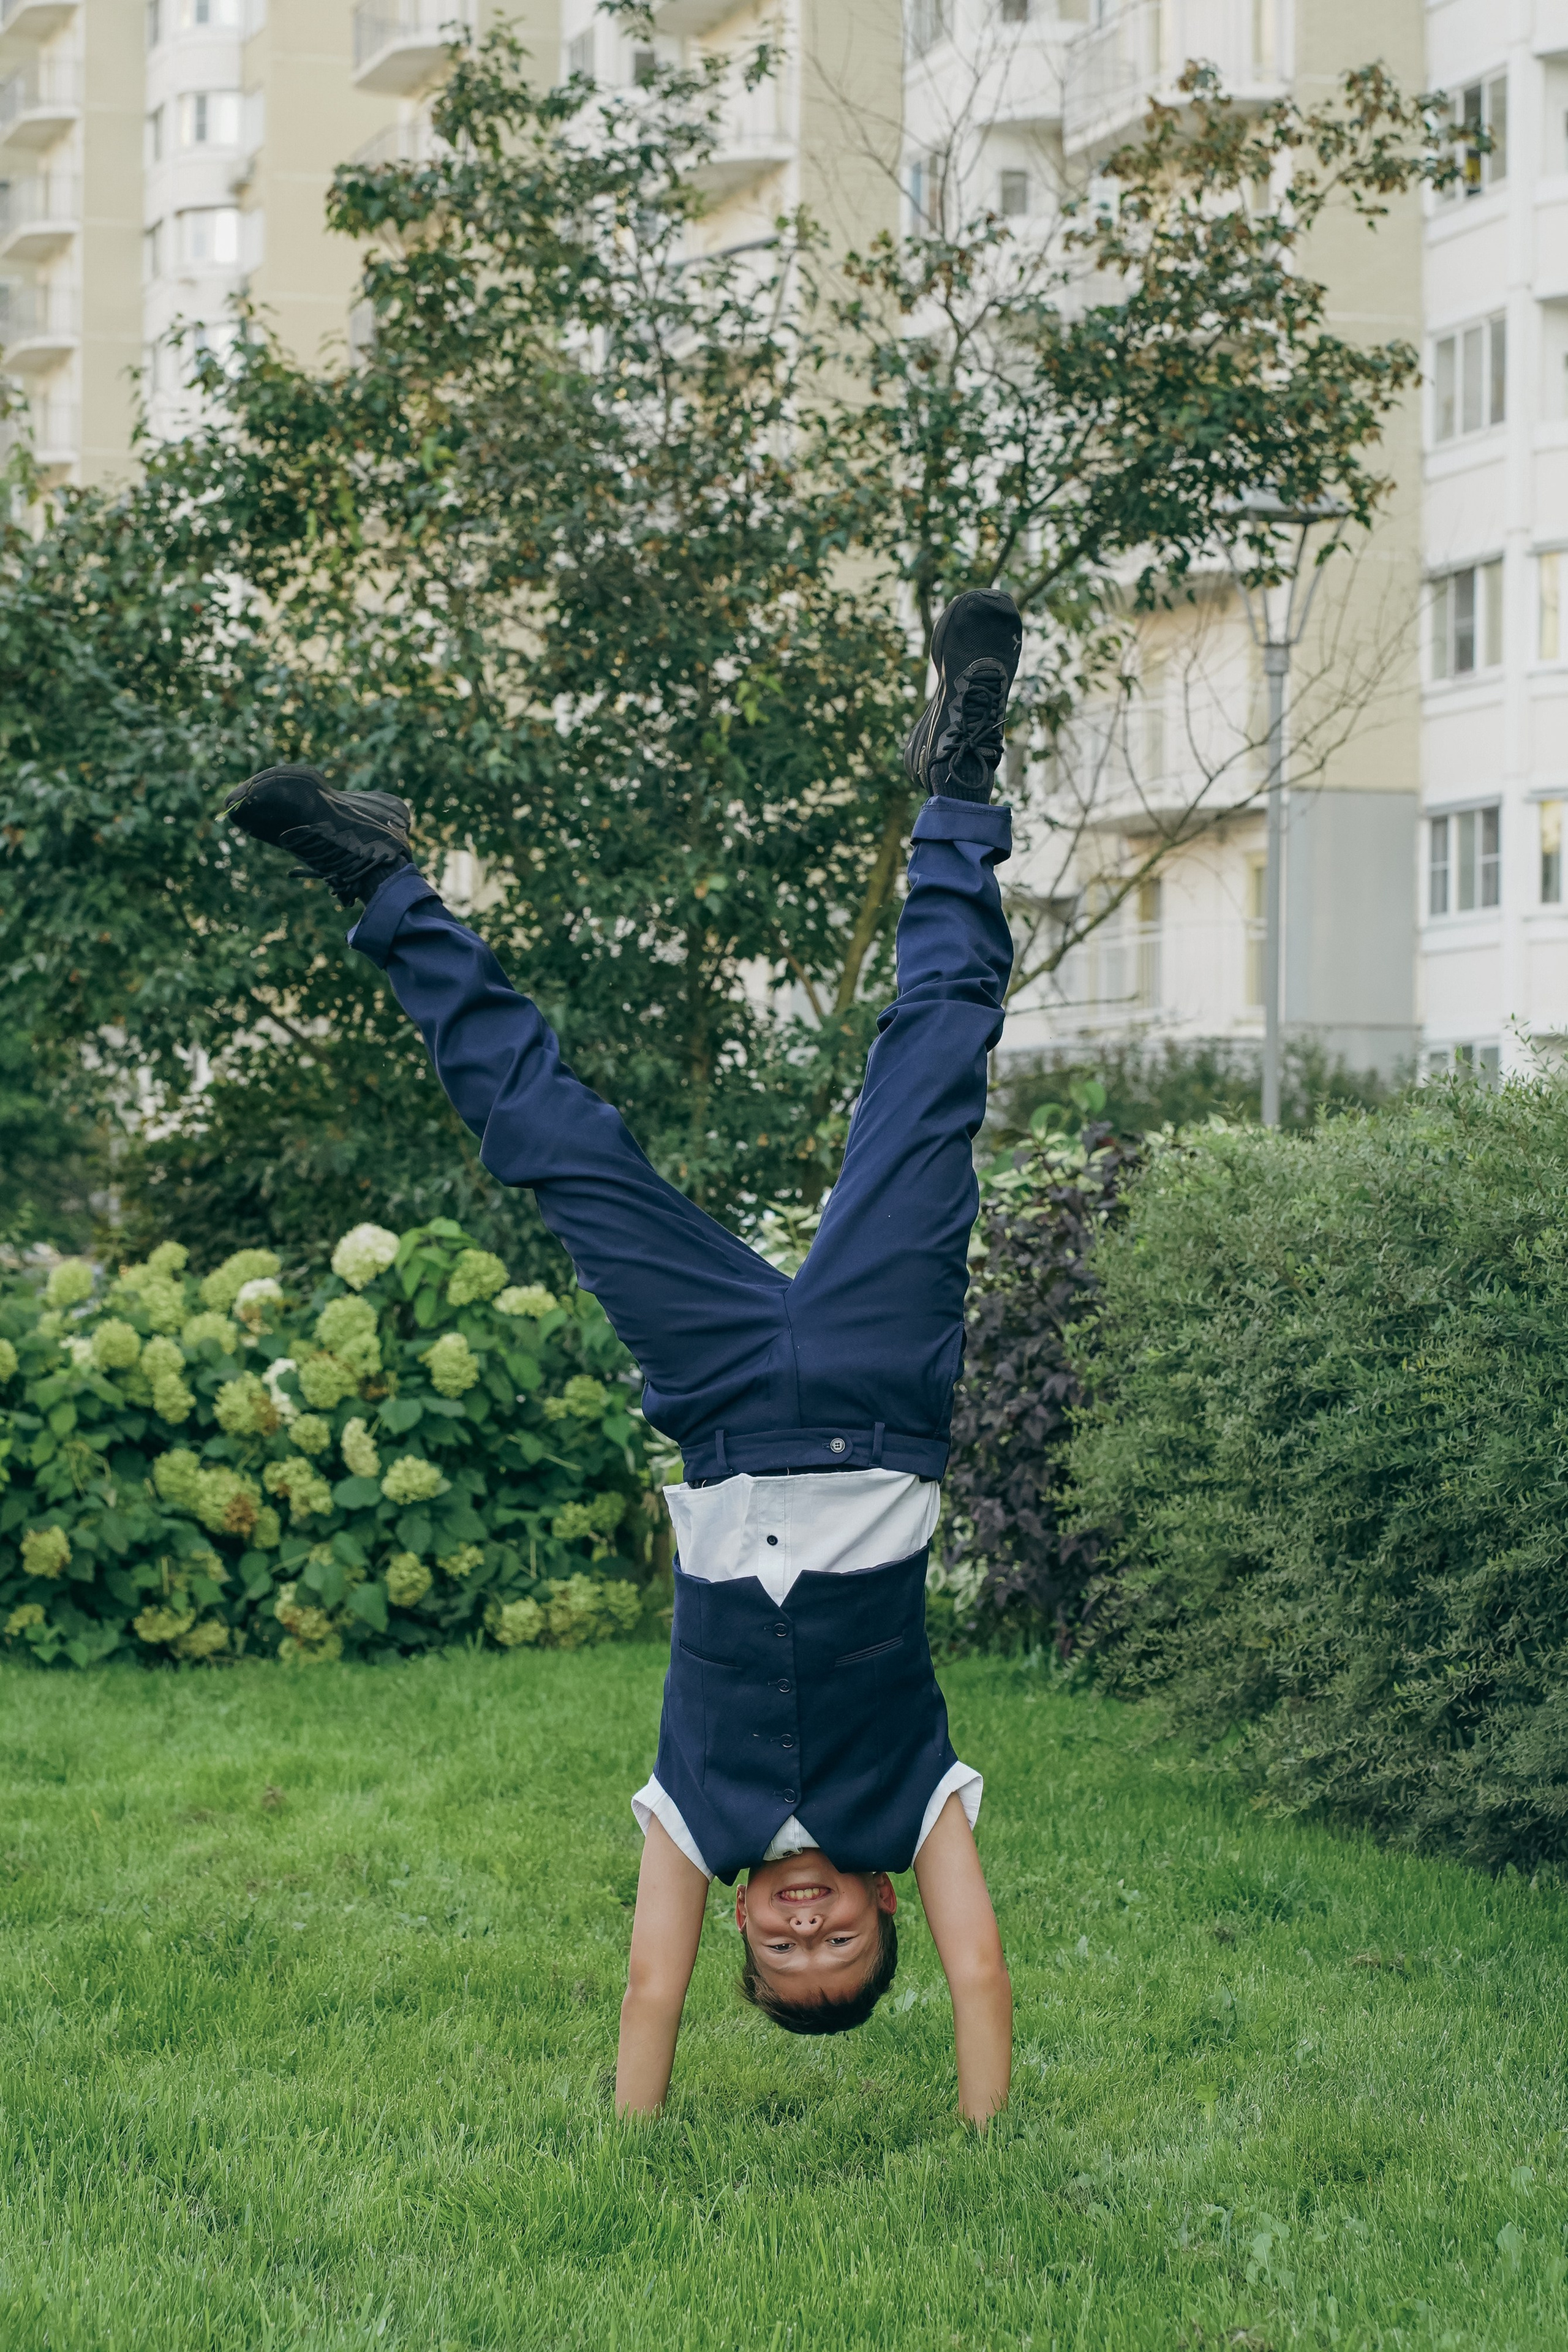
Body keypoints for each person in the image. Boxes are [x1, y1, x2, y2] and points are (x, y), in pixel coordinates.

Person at [224, 588, 1023, 2124]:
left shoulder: (694, 1815)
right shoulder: (915, 1805)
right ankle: (962, 777)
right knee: (932, 1072)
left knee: (553, 1145)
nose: (801, 1924)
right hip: (875, 1390)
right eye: (834, 1938)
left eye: (783, 1949)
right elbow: (980, 1982)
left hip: (721, 1405)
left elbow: (646, 1990)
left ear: (738, 1925)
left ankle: (379, 878)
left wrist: (631, 2142)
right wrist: (985, 2152)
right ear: (880, 1906)